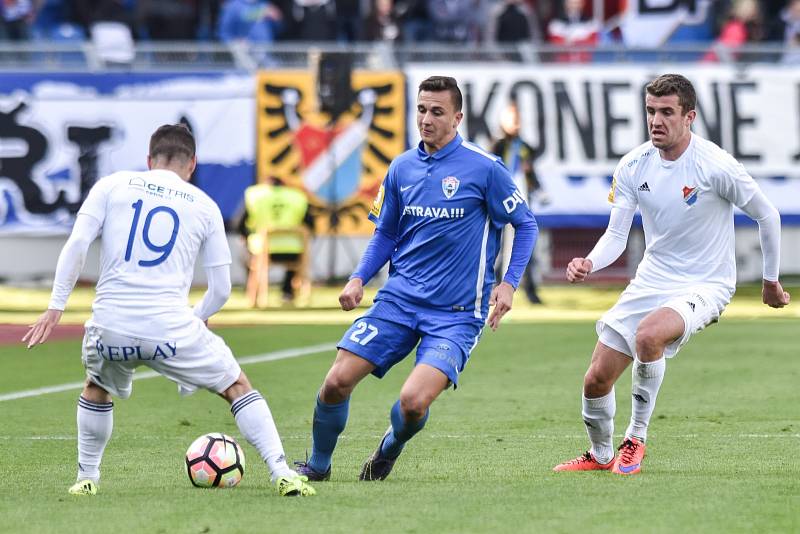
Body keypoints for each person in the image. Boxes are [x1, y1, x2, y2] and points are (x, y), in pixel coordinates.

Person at [22, 124, 316, 497]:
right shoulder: (204, 205)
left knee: (96, 387)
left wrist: (54, 307)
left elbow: (77, 243)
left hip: (111, 325)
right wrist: (194, 322)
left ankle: (87, 478)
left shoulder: (111, 185)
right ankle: (281, 472)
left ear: (149, 160)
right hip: (172, 329)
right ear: (191, 164)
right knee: (236, 385)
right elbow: (221, 290)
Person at [293, 76, 538, 482]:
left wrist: (509, 283)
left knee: (412, 404)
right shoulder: (401, 167)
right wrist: (358, 278)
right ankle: (317, 467)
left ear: (457, 117)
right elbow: (386, 233)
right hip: (398, 302)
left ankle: (389, 447)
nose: (426, 119)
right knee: (335, 382)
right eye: (421, 109)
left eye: (437, 112)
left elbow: (525, 224)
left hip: (457, 315)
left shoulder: (485, 169)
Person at [553, 74, 790, 476]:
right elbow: (616, 234)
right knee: (595, 380)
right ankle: (600, 454)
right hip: (651, 280)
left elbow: (767, 214)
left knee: (649, 335)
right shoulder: (633, 165)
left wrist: (770, 280)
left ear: (689, 117)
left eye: (666, 112)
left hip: (706, 283)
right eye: (650, 111)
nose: (656, 120)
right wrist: (591, 262)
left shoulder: (714, 164)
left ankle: (636, 439)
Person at [491, 101, 544, 304]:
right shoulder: (497, 145)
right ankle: (494, 287)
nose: (515, 123)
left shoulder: (524, 147)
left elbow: (531, 174)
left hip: (521, 203)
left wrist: (536, 186)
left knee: (525, 245)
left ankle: (530, 291)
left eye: (517, 119)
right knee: (499, 249)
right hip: (500, 205)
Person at [241, 176, 312, 305]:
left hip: (263, 250)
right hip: (294, 250)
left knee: (249, 254)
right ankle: (288, 291)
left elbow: (240, 225)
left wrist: (246, 238)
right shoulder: (297, 197)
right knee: (296, 258)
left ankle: (254, 294)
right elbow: (310, 225)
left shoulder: (255, 196)